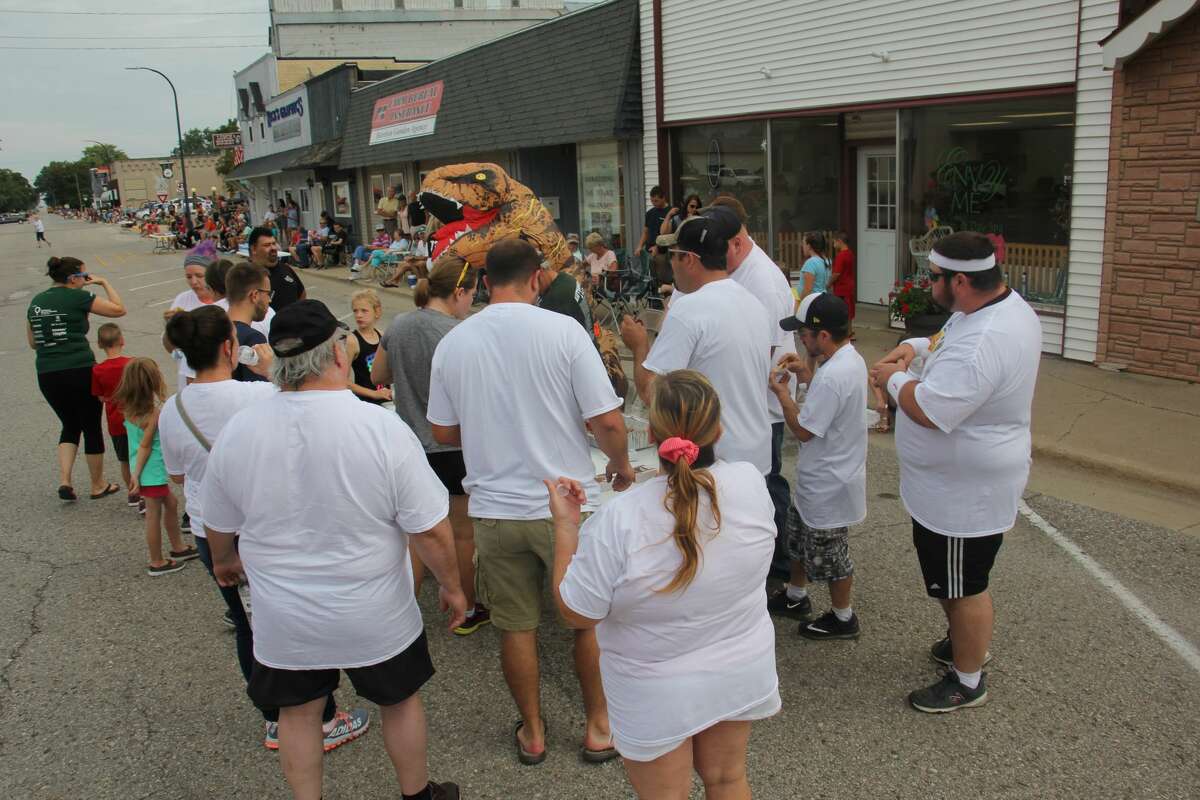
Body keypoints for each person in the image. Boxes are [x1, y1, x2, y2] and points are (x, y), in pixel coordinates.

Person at [201, 299, 465, 800]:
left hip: (286, 615)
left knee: (297, 712)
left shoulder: (241, 430)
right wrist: (452, 587)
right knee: (400, 701)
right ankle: (417, 794)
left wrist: (223, 560)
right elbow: (430, 528)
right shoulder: (381, 428)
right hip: (373, 609)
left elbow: (219, 522)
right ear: (339, 356)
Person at [426, 239, 634, 764]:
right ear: (537, 278)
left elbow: (442, 430)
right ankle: (598, 727)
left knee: (516, 627)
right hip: (562, 504)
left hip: (494, 509)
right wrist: (621, 465)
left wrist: (489, 428)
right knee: (584, 620)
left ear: (483, 283)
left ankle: (535, 733)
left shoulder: (455, 341)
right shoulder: (563, 330)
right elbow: (606, 419)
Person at [550, 370, 779, 797]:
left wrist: (566, 526)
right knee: (728, 779)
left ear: (652, 433)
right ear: (719, 429)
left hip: (653, 688)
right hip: (739, 667)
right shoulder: (750, 483)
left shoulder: (619, 518)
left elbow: (576, 611)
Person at [159, 306, 371, 753]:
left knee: (246, 624)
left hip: (209, 529)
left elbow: (178, 477)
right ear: (228, 347)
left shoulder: (173, 409)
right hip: (266, 524)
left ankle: (275, 718)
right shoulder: (255, 398)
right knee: (293, 618)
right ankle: (323, 714)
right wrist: (263, 363)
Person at [869, 232, 1042, 713]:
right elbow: (948, 340)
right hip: (955, 486)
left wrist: (893, 377)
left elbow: (930, 408)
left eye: (935, 277)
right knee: (955, 578)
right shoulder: (990, 308)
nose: (929, 284)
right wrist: (914, 348)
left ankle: (968, 679)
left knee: (964, 586)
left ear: (961, 281)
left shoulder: (986, 338)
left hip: (962, 495)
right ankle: (964, 643)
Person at [373, 255, 490, 634]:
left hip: (409, 442)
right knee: (461, 533)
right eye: (472, 294)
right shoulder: (458, 333)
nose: (471, 302)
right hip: (452, 447)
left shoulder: (400, 323)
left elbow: (378, 375)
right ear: (459, 292)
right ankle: (468, 609)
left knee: (414, 531)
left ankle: (401, 611)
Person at [621, 215, 773, 477]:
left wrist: (639, 345)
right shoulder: (753, 303)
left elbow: (653, 395)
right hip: (756, 456)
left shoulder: (688, 309)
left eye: (673, 255)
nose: (670, 263)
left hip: (713, 462)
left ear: (689, 259)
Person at [705, 197, 801, 580]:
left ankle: (778, 566)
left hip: (762, 406)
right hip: (744, 403)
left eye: (715, 251)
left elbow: (768, 352)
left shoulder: (762, 281)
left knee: (767, 484)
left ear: (736, 244)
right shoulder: (738, 269)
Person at [771, 293, 868, 638]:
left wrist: (782, 396)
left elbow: (804, 430)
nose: (800, 339)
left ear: (822, 336)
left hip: (830, 483)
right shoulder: (846, 361)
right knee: (798, 539)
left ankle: (844, 618)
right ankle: (796, 596)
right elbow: (830, 404)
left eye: (804, 334)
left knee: (831, 555)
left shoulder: (834, 375)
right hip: (824, 477)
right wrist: (807, 373)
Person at [26, 256, 126, 501]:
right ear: (72, 279)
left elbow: (32, 342)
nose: (86, 279)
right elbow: (118, 309)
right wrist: (103, 283)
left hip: (47, 372)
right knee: (91, 425)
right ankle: (97, 484)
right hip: (79, 368)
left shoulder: (36, 301)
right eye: (84, 275)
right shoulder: (78, 296)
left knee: (70, 424)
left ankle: (65, 480)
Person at [112, 358, 198, 576]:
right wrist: (137, 475)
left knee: (171, 503)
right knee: (153, 514)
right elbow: (146, 445)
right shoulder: (153, 413)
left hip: (143, 468)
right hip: (151, 470)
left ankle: (178, 547)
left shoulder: (128, 410)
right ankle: (156, 560)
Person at [90, 323, 136, 507]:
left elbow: (100, 396)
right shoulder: (132, 363)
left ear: (99, 344)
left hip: (116, 421)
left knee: (124, 459)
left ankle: (133, 492)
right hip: (137, 417)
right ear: (122, 340)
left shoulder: (98, 370)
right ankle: (146, 489)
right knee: (141, 454)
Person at [163, 248, 218, 390]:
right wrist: (171, 326)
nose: (194, 282)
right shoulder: (183, 299)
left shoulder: (223, 302)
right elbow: (169, 347)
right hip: (187, 381)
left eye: (199, 275)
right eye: (189, 277)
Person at [224, 262, 275, 383]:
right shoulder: (252, 338)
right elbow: (260, 394)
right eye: (268, 294)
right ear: (255, 295)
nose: (270, 299)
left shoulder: (212, 329)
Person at [345, 289, 392, 404]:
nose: (359, 315)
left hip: (386, 399)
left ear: (377, 312)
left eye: (364, 311)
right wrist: (374, 394)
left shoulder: (382, 335)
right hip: (366, 402)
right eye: (355, 311)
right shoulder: (352, 341)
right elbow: (343, 381)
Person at [247, 227, 305, 310]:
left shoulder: (286, 268)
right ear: (253, 249)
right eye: (267, 245)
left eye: (274, 244)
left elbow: (302, 294)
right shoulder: (246, 276)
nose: (273, 248)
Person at [537, 262, 593, 334]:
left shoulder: (554, 297)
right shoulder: (565, 277)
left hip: (583, 338)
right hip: (589, 334)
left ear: (541, 271)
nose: (535, 289)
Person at [635, 186, 670, 285]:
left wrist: (658, 247)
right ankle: (654, 297)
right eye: (652, 201)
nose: (654, 203)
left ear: (663, 198)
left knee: (662, 279)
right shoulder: (650, 213)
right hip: (649, 251)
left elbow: (670, 235)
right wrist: (639, 246)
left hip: (664, 252)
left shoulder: (670, 212)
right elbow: (646, 232)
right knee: (650, 279)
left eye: (656, 201)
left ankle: (664, 295)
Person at [796, 231, 832, 304]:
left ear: (809, 246)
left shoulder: (811, 263)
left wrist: (799, 302)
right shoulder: (827, 261)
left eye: (803, 244)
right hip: (822, 299)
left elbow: (807, 289)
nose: (802, 246)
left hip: (810, 303)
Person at [830, 231, 857, 320]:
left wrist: (828, 283)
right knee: (848, 314)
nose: (833, 245)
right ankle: (848, 333)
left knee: (841, 314)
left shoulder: (841, 256)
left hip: (841, 289)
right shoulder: (850, 253)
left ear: (839, 241)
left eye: (834, 242)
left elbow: (836, 273)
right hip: (849, 287)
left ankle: (843, 333)